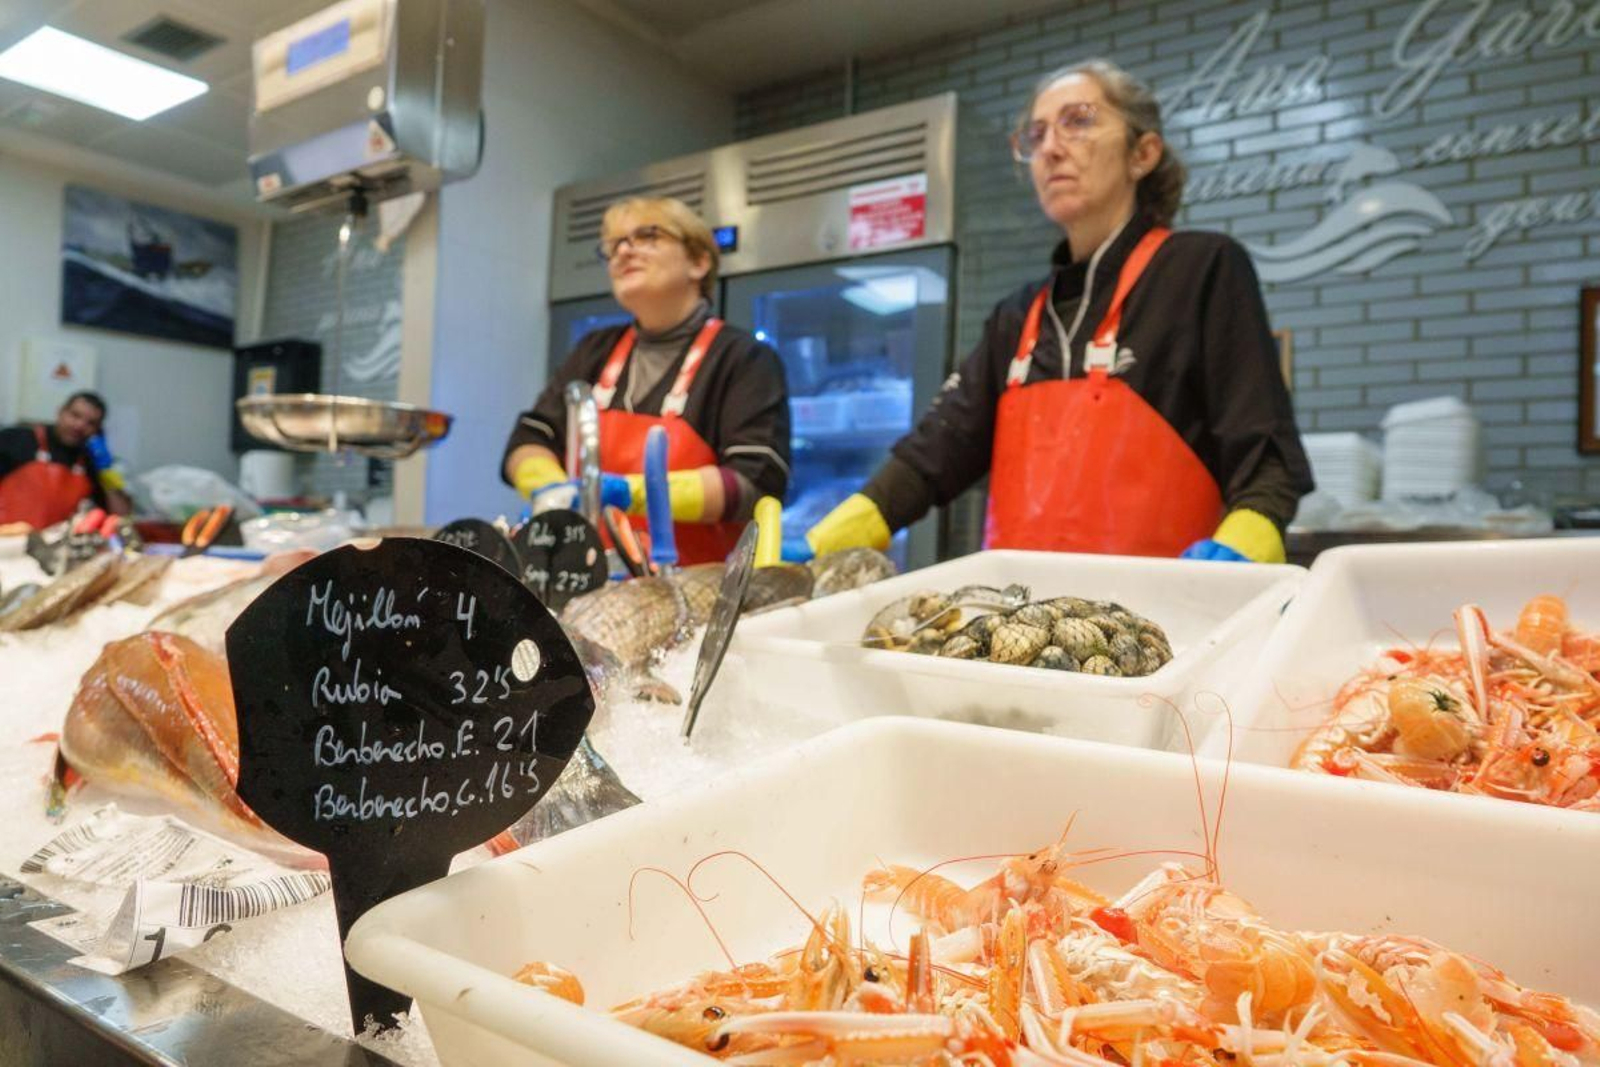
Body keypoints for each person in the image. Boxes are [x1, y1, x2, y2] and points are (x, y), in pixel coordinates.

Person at [805, 60, 1312, 564]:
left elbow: (1265, 456)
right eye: (1036, 134)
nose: (1049, 148)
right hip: (1019, 629)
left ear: (1143, 153)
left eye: (1079, 120)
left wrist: (1250, 536)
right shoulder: (1017, 316)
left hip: (1164, 624)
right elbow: (939, 447)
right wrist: (858, 517)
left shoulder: (1201, 269)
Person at [501, 196, 790, 565]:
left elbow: (752, 484)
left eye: (647, 236)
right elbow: (528, 441)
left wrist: (627, 494)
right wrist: (551, 488)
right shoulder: (594, 350)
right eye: (614, 244)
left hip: (695, 589)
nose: (624, 251)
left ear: (700, 261)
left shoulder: (743, 358)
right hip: (587, 578)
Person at [0, 391, 131, 530]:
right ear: (60, 412)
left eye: (91, 423)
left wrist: (106, 471)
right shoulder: (16, 439)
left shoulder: (89, 461)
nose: (80, 425)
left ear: (97, 430)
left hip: (53, 546)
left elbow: (121, 516)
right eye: (75, 415)